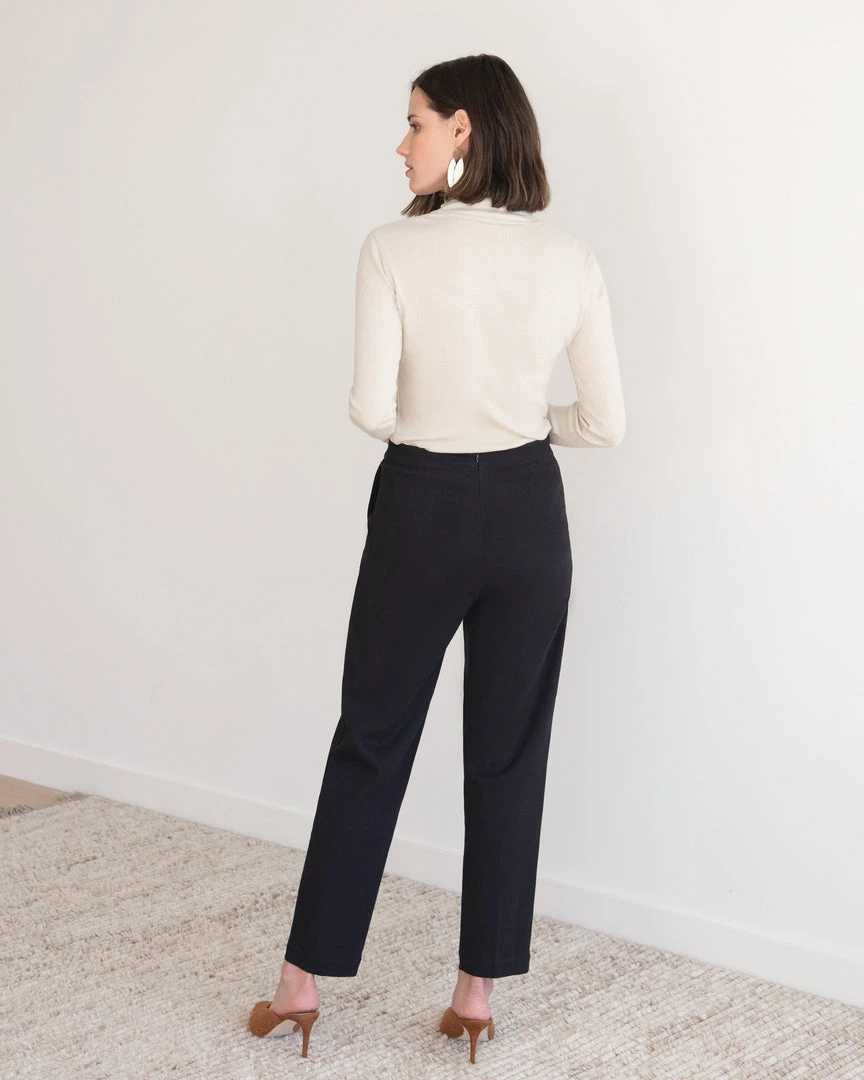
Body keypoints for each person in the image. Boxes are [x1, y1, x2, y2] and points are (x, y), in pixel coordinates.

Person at [248, 53, 626, 1062]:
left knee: (373, 738)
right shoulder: (571, 257)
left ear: (463, 128)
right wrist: (521, 425)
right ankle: (476, 996)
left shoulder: (391, 250)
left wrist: (445, 422)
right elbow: (605, 422)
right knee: (507, 755)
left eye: (414, 122)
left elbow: (371, 409)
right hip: (530, 514)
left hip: (424, 506)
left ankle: (302, 982)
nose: (400, 141)